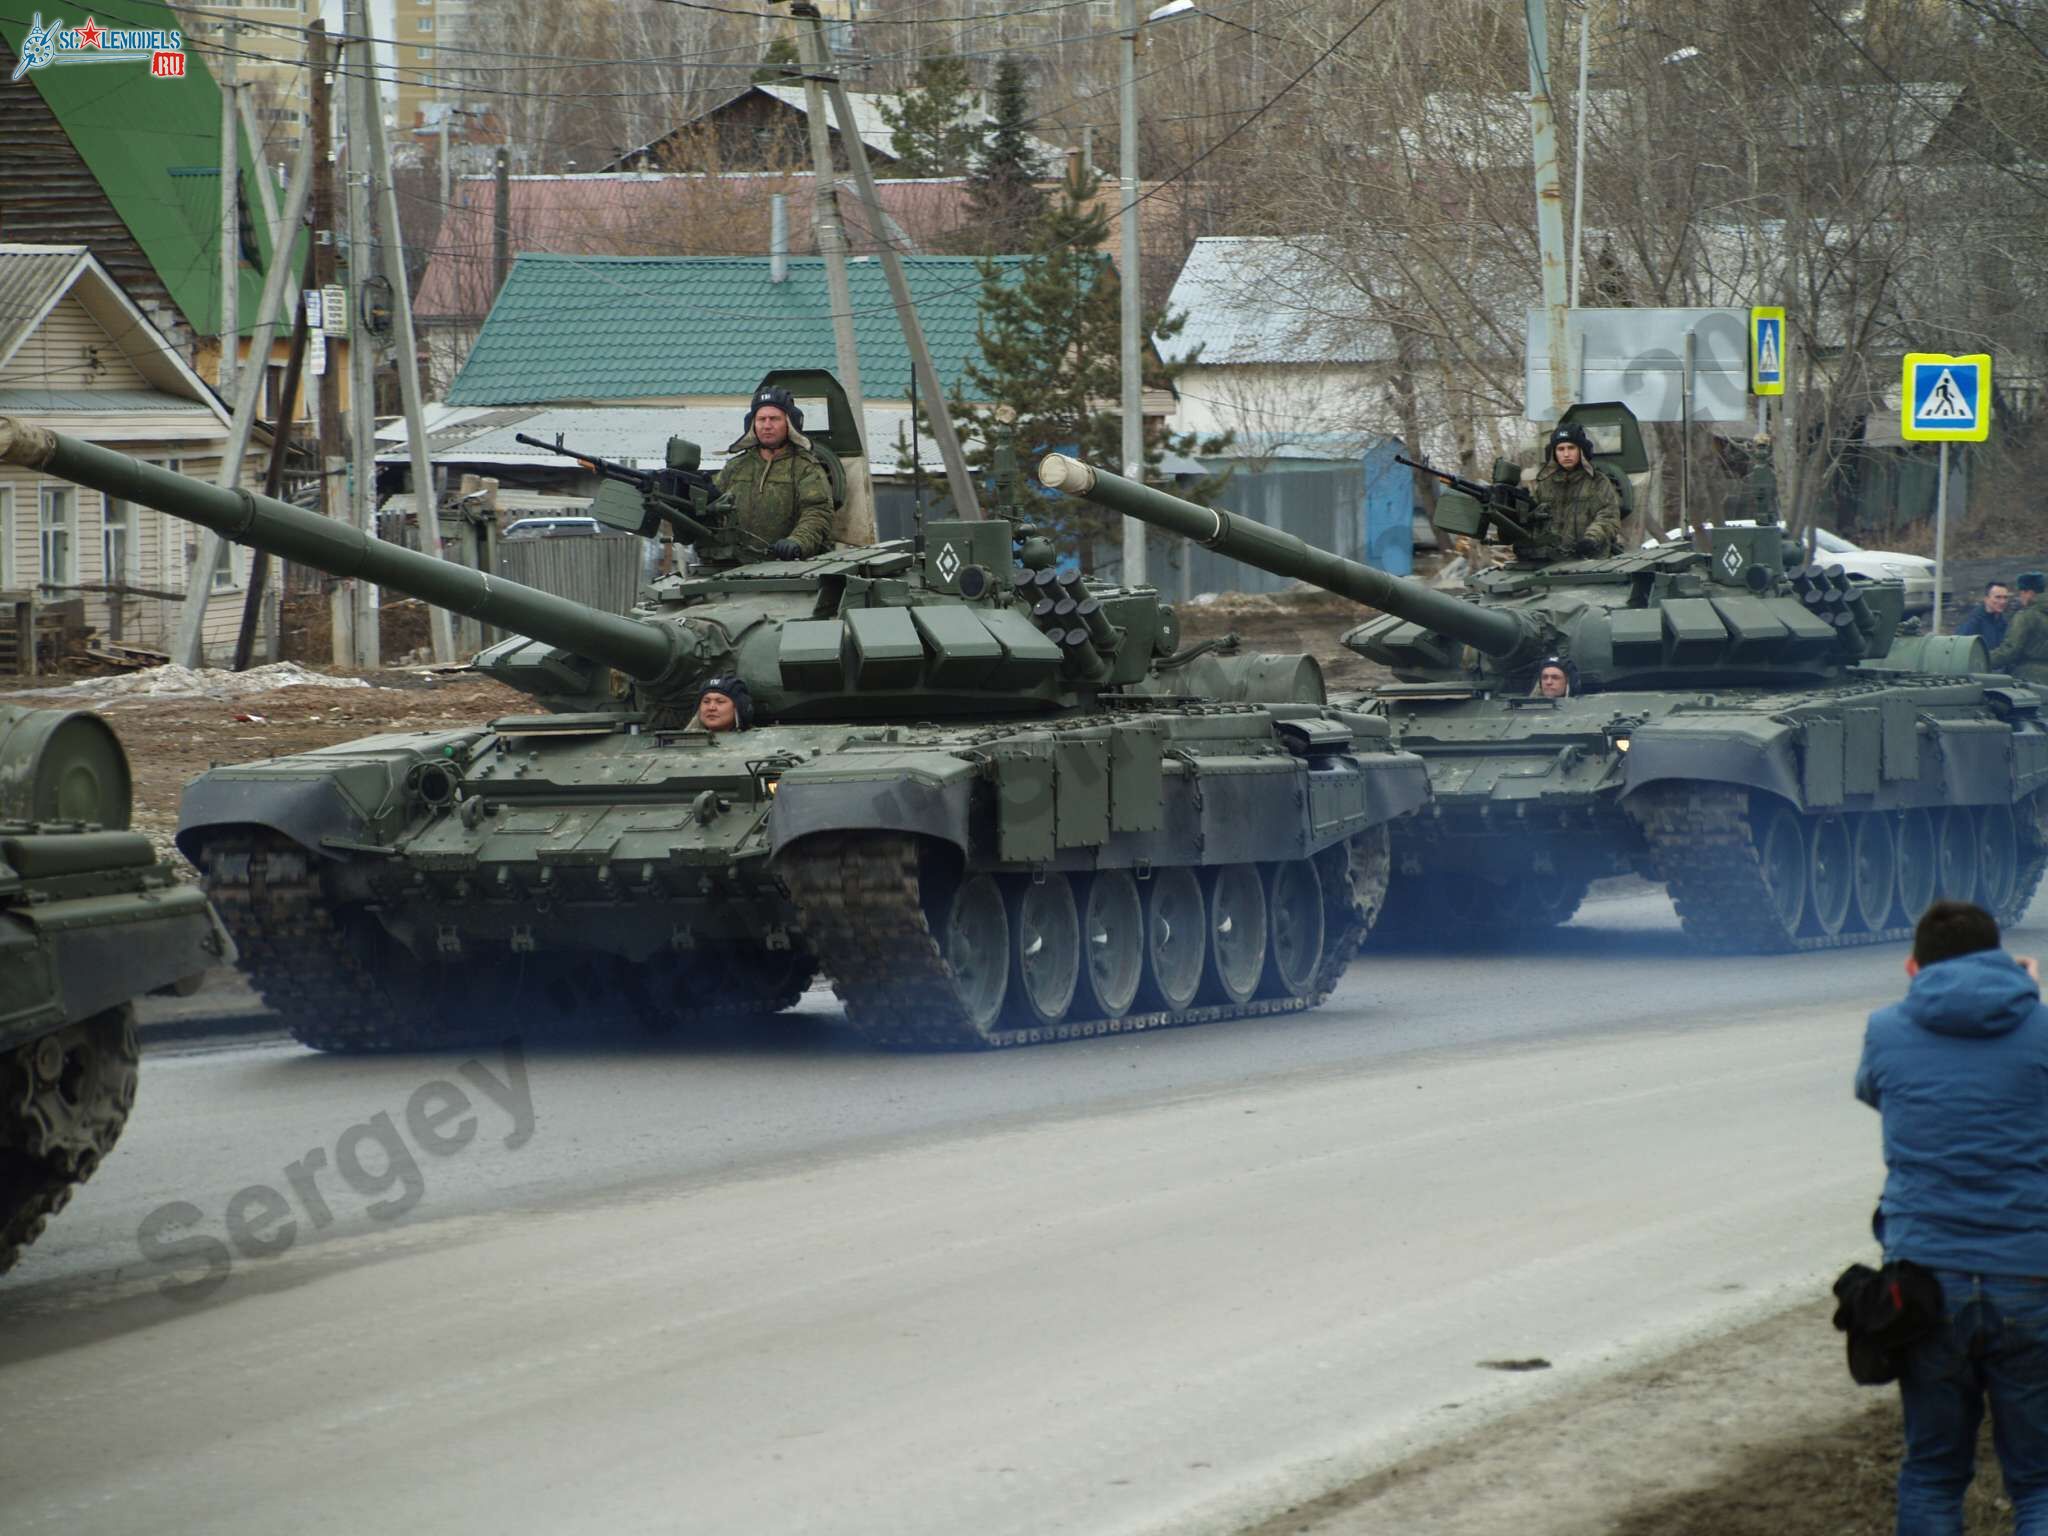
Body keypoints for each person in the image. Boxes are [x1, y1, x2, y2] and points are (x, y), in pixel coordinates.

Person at [1855, 900, 2048, 1534]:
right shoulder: (2040, 1027)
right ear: (2006, 960)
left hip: (1924, 1284)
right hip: (2029, 1277)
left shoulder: (1886, 1029)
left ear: (1914, 967)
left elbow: (1874, 1091)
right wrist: (2026, 996)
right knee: (2040, 1481)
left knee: (1934, 1473)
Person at [715, 386, 834, 560]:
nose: (767, 425)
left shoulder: (805, 468)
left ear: (790, 423)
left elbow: (817, 512)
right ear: (752, 424)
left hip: (788, 569)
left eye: (775, 419)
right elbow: (712, 505)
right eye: (761, 419)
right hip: (734, 565)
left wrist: (798, 541)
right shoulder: (735, 467)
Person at [1521, 423, 1622, 563]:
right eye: (1560, 449)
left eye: (1571, 448)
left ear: (1581, 450)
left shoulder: (1598, 482)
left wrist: (1591, 539)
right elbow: (1531, 519)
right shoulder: (1544, 485)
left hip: (1591, 562)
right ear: (1554, 453)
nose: (1566, 454)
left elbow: (1608, 517)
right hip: (1550, 562)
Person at [1990, 572, 2048, 683]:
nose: (2020, 597)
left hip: (2030, 678)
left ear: (2029, 593)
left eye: (2021, 593)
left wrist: (1985, 659)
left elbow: (2010, 650)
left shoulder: (2025, 616)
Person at [1955, 581, 2012, 654]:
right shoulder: (1973, 621)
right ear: (1986, 599)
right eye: (1998, 597)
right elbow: (1960, 647)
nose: (2003, 601)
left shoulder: (2005, 622)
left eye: (2005, 597)